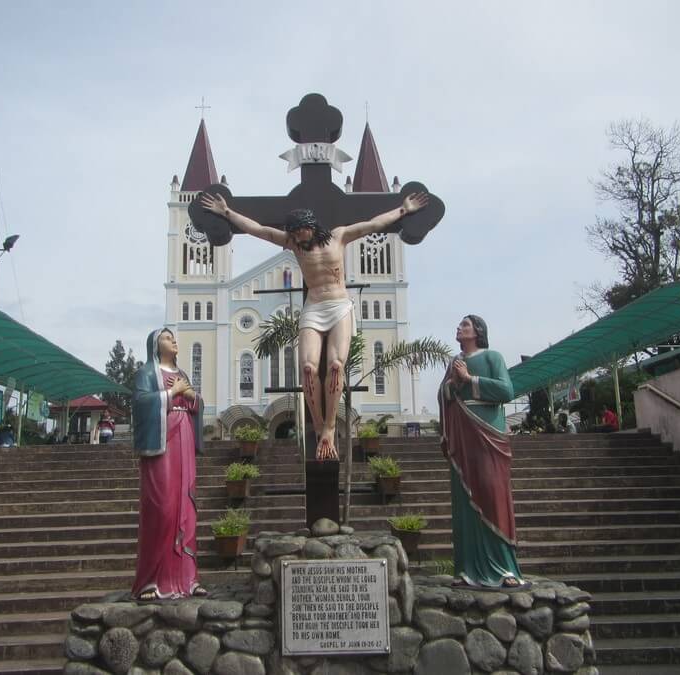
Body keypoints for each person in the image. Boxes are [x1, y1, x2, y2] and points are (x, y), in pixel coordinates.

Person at [200, 191, 429, 462]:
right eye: (293, 234)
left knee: (335, 365)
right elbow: (259, 230)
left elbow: (373, 224)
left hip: (340, 306)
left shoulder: (339, 236)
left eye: (299, 232)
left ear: (310, 227)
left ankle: (330, 427)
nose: (296, 237)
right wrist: (227, 212)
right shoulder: (294, 245)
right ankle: (319, 426)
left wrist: (403, 211)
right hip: (314, 307)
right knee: (308, 368)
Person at [438, 315, 528, 589]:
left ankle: (504, 568)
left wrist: (469, 379)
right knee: (465, 500)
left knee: (493, 493)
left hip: (488, 433)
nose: (458, 328)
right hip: (463, 436)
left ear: (477, 331)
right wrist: (453, 384)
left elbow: (506, 390)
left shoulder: (493, 357)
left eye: (464, 325)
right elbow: (444, 395)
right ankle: (467, 569)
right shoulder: (454, 362)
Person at [131, 328, 207, 601]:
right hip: (161, 441)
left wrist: (191, 398)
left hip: (183, 435)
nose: (173, 340)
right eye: (166, 337)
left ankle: (189, 578)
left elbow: (196, 403)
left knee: (186, 506)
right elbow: (139, 404)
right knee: (161, 507)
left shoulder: (182, 374)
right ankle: (151, 579)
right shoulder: (146, 374)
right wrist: (170, 393)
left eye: (173, 337)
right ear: (154, 345)